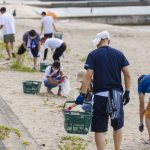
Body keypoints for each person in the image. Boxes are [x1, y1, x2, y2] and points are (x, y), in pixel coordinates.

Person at [72, 31, 131, 150]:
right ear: (108, 41)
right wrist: (127, 92)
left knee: (99, 129)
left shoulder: (93, 54)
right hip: (116, 95)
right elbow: (127, 74)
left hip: (100, 95)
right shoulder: (119, 54)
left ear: (98, 42)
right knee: (117, 125)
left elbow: (88, 75)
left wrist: (82, 94)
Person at [138, 74, 150, 145]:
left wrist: (141, 122)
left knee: (148, 116)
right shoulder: (147, 78)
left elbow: (141, 106)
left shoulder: (141, 84)